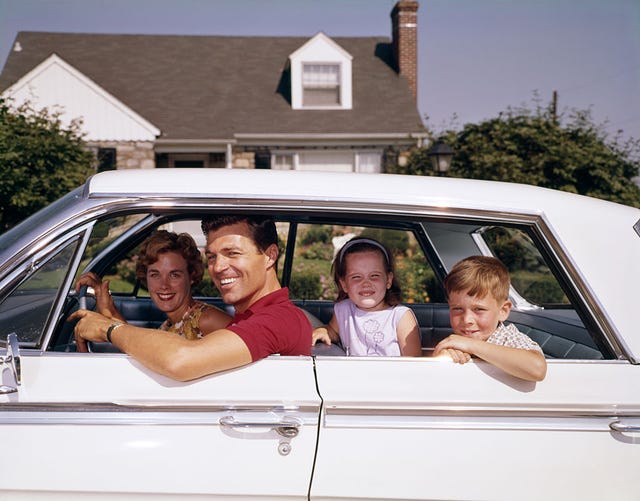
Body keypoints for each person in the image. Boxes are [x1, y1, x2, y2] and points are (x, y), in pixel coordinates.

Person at [71, 215, 312, 381]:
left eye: (233, 253)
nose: (218, 267)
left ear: (270, 256)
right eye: (212, 257)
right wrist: (109, 310)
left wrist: (108, 329)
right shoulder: (253, 317)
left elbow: (179, 360)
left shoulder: (276, 320)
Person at [76, 230, 231, 340]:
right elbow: (137, 345)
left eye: (174, 275)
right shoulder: (169, 324)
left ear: (191, 276)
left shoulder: (208, 320)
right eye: (155, 274)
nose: (164, 285)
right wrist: (108, 307)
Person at [432, 255, 547, 382]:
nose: (467, 320)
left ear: (503, 311)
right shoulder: (458, 342)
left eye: (479, 309)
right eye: (457, 309)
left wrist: (471, 345)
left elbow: (537, 368)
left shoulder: (507, 338)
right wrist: (442, 359)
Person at [312, 237, 422, 357]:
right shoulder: (344, 310)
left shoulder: (400, 316)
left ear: (388, 280)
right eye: (356, 277)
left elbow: (414, 363)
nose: (365, 283)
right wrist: (324, 330)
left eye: (374, 275)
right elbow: (333, 331)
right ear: (344, 284)